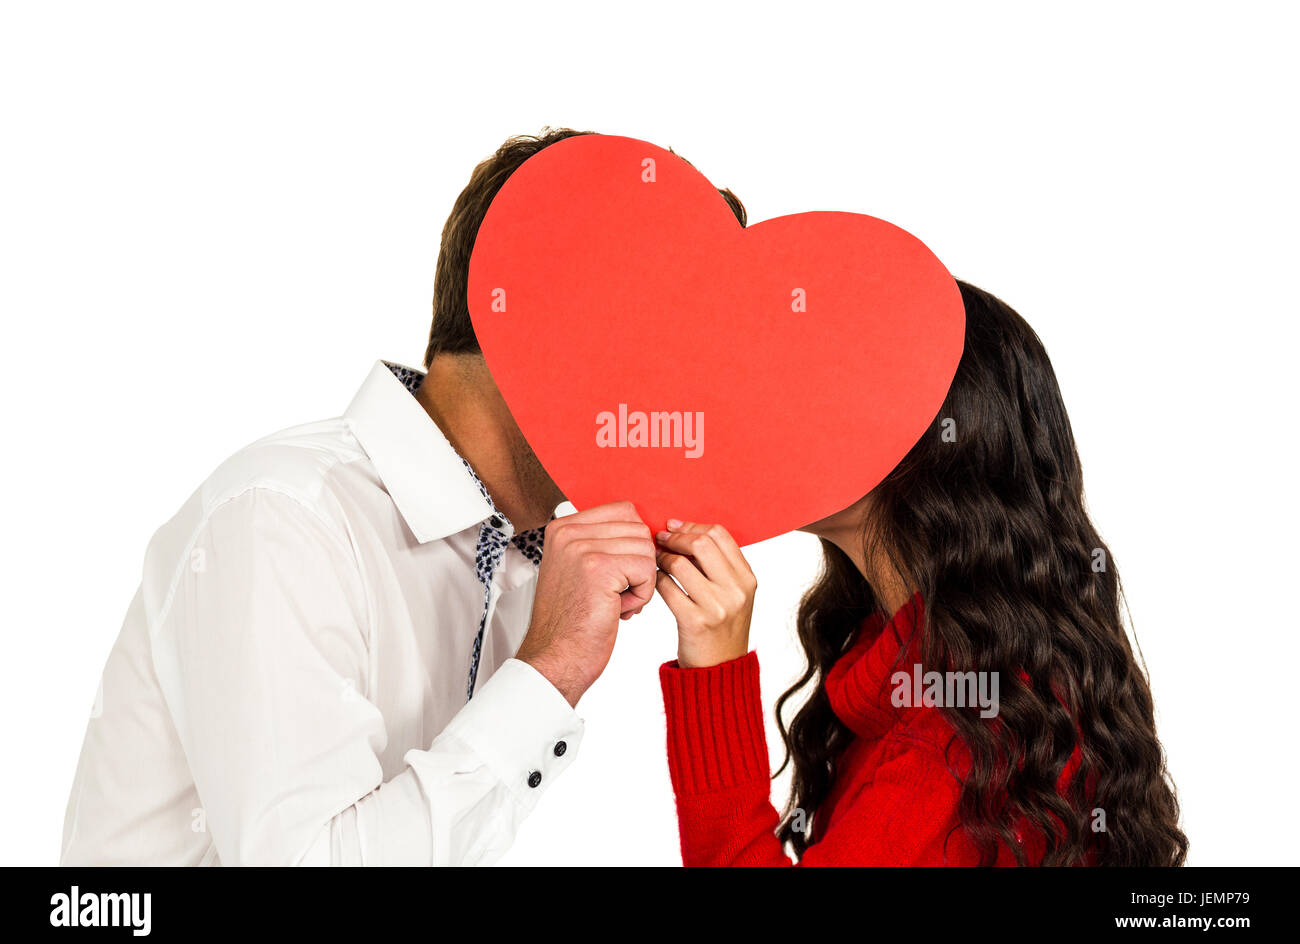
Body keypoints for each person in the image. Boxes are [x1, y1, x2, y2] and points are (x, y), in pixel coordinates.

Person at [60, 128, 748, 866]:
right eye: (670, 332)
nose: (692, 392)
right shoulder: (284, 519)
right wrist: (550, 670)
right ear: (543, 314)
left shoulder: (523, 557)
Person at [652, 279, 1189, 865]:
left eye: (816, 385)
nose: (772, 410)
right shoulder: (908, 675)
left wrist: (715, 674)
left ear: (926, 440)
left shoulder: (965, 740)